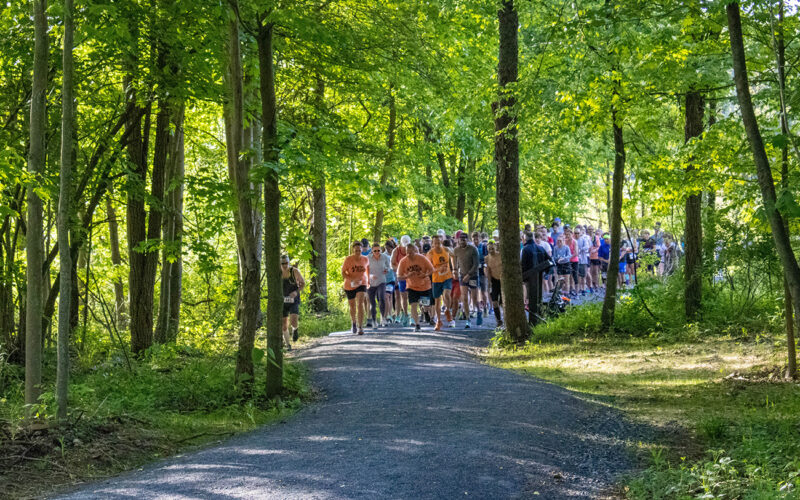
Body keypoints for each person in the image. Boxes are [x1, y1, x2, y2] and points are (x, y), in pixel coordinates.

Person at [397, 243, 434, 333]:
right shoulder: (403, 261)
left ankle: (425, 312)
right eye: (407, 253)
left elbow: (432, 269)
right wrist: (407, 276)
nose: (409, 255)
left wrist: (425, 275)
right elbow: (399, 277)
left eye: (411, 252)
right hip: (412, 286)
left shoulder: (422, 258)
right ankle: (417, 325)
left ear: (415, 251)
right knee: (413, 305)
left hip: (424, 285)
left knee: (426, 305)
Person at [521, 230, 549, 325]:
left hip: (529, 279)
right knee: (538, 298)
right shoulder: (540, 248)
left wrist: (522, 278)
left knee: (530, 298)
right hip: (539, 277)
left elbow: (523, 265)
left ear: (524, 239)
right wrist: (546, 273)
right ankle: (538, 318)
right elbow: (550, 261)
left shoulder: (525, 249)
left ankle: (533, 322)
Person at [427, 234, 455, 330]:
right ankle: (438, 321)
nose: (437, 244)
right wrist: (438, 268)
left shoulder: (446, 250)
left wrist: (454, 268)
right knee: (437, 301)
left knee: (447, 294)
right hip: (436, 279)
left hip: (447, 277)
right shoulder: (430, 253)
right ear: (432, 244)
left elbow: (453, 256)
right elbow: (428, 268)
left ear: (441, 242)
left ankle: (448, 310)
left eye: (439, 242)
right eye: (435, 243)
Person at [454, 231, 481, 328]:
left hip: (473, 275)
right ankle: (467, 319)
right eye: (461, 240)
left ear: (467, 240)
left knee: (474, 298)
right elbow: (455, 261)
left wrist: (469, 275)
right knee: (464, 297)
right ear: (458, 240)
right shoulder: (456, 250)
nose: (462, 242)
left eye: (464, 240)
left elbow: (476, 264)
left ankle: (479, 311)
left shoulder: (473, 249)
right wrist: (455, 271)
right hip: (462, 275)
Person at [342, 240, 369, 335]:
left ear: (362, 250)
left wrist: (368, 280)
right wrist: (351, 279)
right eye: (356, 250)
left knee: (360, 303)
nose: (358, 252)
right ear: (353, 250)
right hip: (350, 285)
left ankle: (360, 327)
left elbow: (367, 271)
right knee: (352, 306)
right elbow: (343, 272)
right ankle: (353, 322)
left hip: (362, 283)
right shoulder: (348, 259)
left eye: (359, 250)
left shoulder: (365, 259)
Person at [281, 255, 305, 350]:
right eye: (282, 263)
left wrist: (296, 291)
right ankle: (288, 345)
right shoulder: (278, 272)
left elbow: (303, 283)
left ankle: (295, 329)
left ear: (289, 263)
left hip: (293, 300)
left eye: (286, 263)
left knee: (294, 319)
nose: (284, 265)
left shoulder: (294, 271)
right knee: (283, 324)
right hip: (282, 300)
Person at [367, 242, 391, 328]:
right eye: (375, 251)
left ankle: (383, 317)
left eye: (378, 250)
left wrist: (386, 270)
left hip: (382, 281)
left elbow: (389, 266)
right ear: (372, 251)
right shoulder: (368, 258)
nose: (377, 252)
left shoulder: (384, 257)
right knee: (372, 302)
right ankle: (374, 320)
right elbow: (365, 270)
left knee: (382, 298)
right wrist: (370, 276)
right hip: (371, 282)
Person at [391, 235, 411, 325]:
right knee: (400, 296)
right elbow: (392, 264)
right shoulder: (396, 251)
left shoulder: (413, 249)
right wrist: (399, 270)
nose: (406, 248)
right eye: (404, 245)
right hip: (400, 276)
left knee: (411, 295)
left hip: (411, 275)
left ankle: (410, 314)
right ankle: (403, 314)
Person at [485, 239, 503, 326]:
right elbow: (488, 271)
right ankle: (499, 320)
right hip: (494, 281)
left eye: (492, 249)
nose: (491, 250)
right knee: (495, 301)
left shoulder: (500, 255)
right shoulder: (487, 258)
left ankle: (506, 319)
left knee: (503, 302)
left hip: (502, 280)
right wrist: (489, 283)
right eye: (489, 249)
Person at [383, 239, 398, 323]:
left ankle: (394, 313)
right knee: (388, 297)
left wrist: (397, 278)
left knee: (394, 297)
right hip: (385, 280)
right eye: (386, 248)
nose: (387, 250)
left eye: (389, 248)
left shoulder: (395, 254)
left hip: (394, 278)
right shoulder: (384, 255)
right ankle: (388, 314)